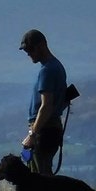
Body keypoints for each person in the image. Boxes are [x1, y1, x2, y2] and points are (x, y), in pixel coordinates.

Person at [19, 28, 68, 174]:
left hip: (44, 130)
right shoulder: (57, 66)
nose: (28, 54)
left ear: (41, 46)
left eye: (30, 49)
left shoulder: (46, 71)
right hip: (52, 129)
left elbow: (46, 106)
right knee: (44, 175)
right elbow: (65, 99)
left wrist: (32, 134)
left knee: (39, 180)